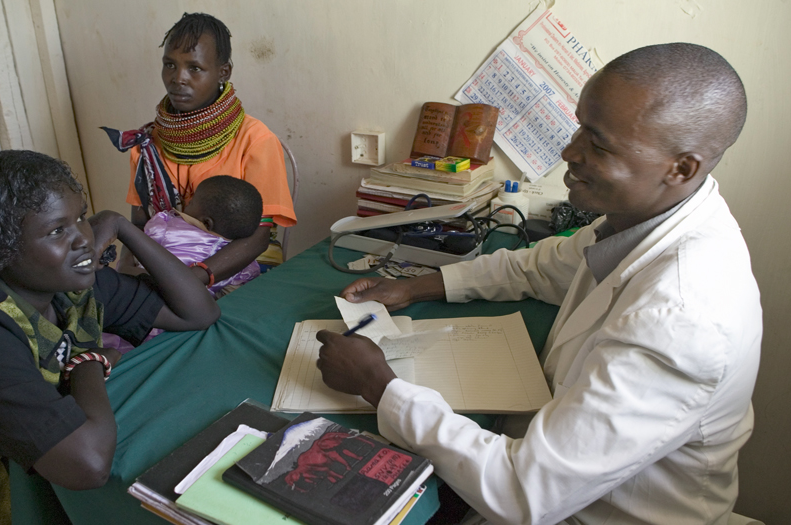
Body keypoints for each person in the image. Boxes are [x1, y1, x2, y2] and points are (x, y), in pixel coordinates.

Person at [316, 43, 761, 524]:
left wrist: (378, 385)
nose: (569, 153)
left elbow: (524, 494)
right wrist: (418, 285)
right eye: (579, 128)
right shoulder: (642, 218)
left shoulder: (681, 315)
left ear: (682, 168)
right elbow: (537, 266)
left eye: (599, 144)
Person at [0, 150, 220, 524]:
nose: (84, 241)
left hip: (36, 467)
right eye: (58, 230)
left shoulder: (60, 281)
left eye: (82, 217)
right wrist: (89, 362)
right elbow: (88, 466)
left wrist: (121, 226)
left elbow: (198, 312)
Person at [103, 12, 296, 287]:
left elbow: (258, 237)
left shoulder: (255, 140)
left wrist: (195, 277)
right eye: (170, 65)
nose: (178, 78)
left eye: (194, 68)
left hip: (242, 264)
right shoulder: (146, 144)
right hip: (166, 265)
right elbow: (139, 227)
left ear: (223, 72)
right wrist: (124, 270)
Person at [141, 175, 264, 297]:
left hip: (148, 292)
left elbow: (141, 248)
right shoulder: (242, 264)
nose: (187, 203)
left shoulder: (166, 227)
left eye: (192, 203)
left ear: (206, 222)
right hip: (194, 310)